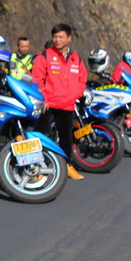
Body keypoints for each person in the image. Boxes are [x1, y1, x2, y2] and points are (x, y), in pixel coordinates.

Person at [31, 24, 87, 180]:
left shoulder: (76, 58)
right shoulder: (45, 56)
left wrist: (76, 94)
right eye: (55, 37)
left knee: (66, 138)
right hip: (48, 104)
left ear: (69, 38)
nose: (57, 40)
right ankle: (35, 168)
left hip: (67, 104)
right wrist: (44, 98)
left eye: (61, 37)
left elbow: (82, 79)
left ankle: (67, 166)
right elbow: (37, 79)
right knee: (39, 136)